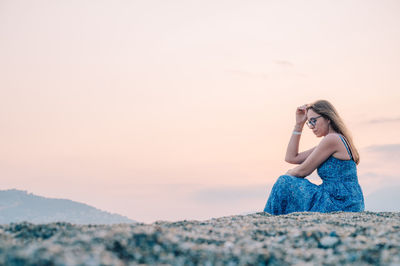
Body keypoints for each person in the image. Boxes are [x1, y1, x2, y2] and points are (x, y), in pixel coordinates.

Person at [263, 99, 365, 215]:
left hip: (339, 201)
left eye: (313, 121)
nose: (311, 126)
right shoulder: (333, 140)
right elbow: (291, 157)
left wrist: (288, 174)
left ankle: (268, 219)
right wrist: (299, 124)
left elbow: (302, 171)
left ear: (327, 118)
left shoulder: (332, 139)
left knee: (284, 181)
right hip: (347, 200)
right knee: (285, 181)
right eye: (309, 122)